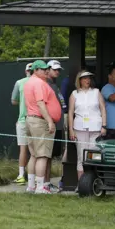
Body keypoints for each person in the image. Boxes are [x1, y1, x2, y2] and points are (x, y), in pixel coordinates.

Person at [24, 60, 62, 194]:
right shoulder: (39, 83)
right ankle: (40, 188)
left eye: (46, 68)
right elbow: (41, 104)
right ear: (35, 70)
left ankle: (31, 186)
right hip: (40, 121)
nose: (46, 71)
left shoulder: (29, 82)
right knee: (42, 156)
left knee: (34, 155)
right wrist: (50, 121)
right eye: (42, 69)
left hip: (31, 120)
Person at [68, 71, 107, 183]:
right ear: (79, 80)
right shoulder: (74, 94)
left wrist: (104, 125)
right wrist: (71, 129)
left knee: (95, 155)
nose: (87, 80)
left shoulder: (96, 92)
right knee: (81, 156)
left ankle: (95, 182)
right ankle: (81, 184)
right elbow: (70, 113)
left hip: (96, 127)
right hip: (79, 128)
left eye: (89, 78)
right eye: (84, 78)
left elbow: (103, 108)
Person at [46, 60, 67, 192]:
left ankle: (47, 183)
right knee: (46, 155)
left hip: (58, 124)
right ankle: (44, 183)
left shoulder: (54, 84)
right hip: (51, 125)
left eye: (58, 70)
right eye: (54, 69)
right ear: (47, 70)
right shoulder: (45, 84)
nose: (57, 72)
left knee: (52, 155)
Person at [11, 63, 33, 184]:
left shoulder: (19, 83)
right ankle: (32, 177)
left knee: (23, 149)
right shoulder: (40, 83)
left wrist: (22, 101)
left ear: (26, 71)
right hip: (36, 121)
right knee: (34, 151)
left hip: (22, 120)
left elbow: (13, 101)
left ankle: (21, 175)